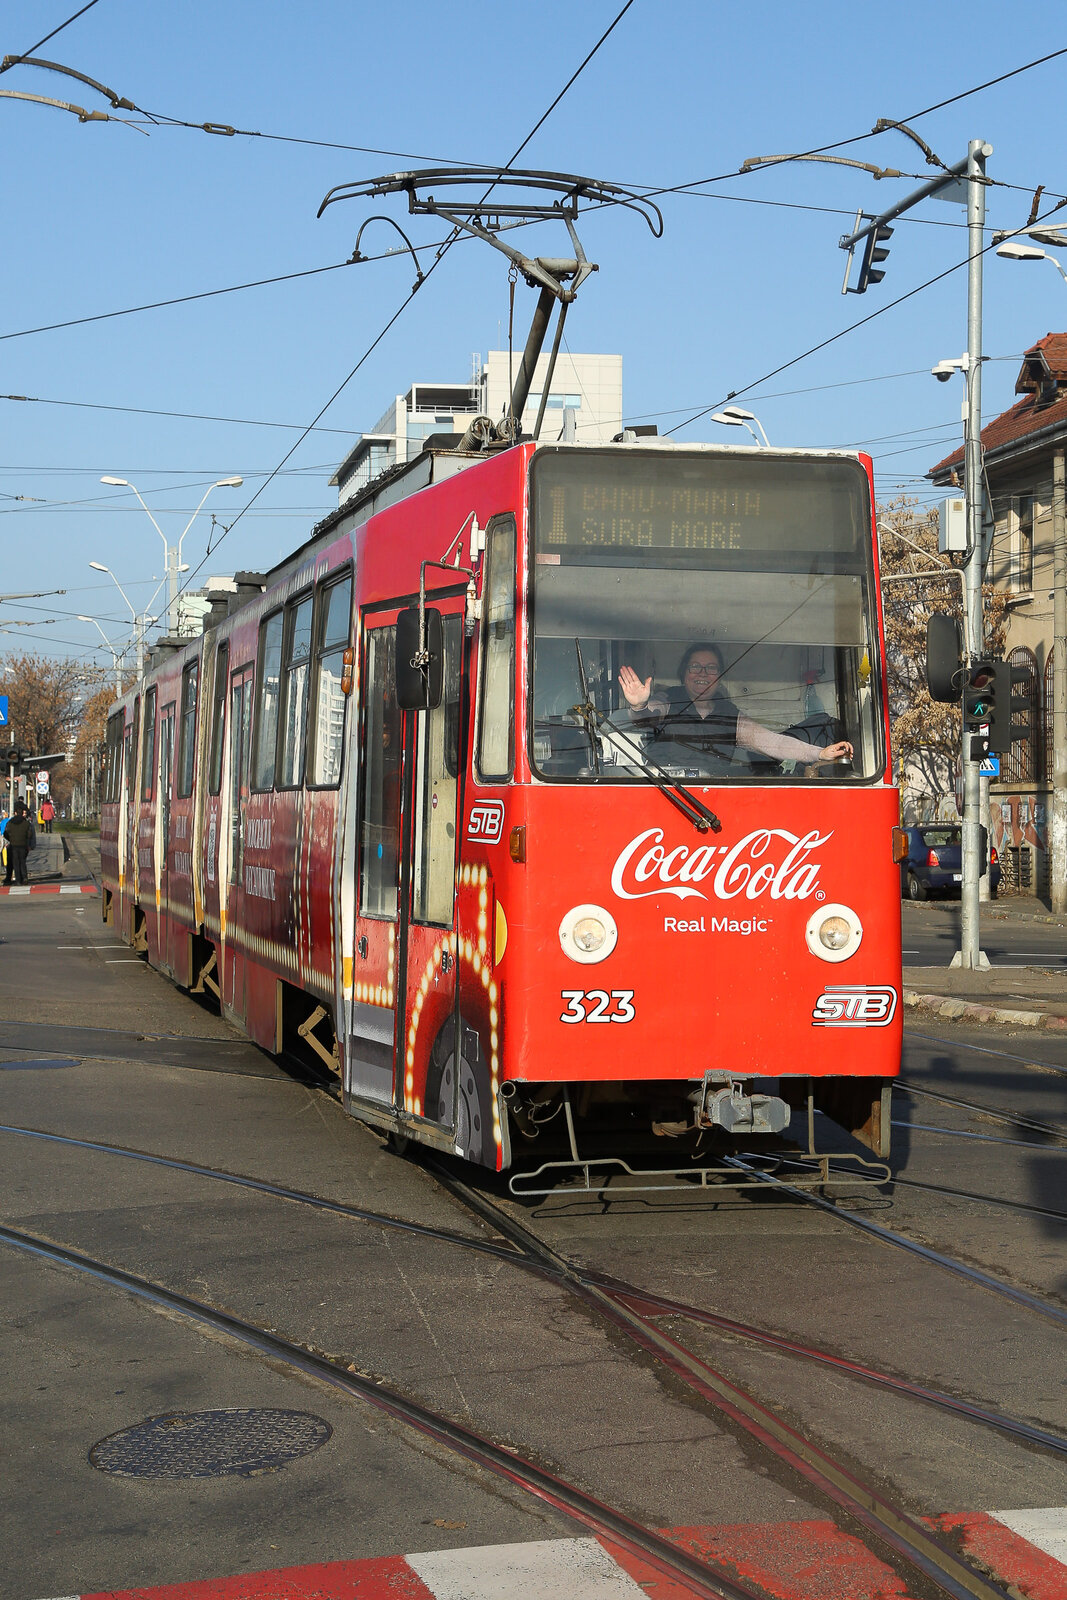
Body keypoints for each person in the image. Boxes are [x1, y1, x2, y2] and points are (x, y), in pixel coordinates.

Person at [618, 642, 854, 774]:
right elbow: (647, 717)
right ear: (683, 673)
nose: (703, 674)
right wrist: (639, 705)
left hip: (715, 800)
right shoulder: (668, 700)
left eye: (711, 668)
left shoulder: (730, 714)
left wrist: (819, 754)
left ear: (719, 677)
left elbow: (774, 743)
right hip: (664, 794)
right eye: (695, 667)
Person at [2, 800, 35, 885]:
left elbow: (5, 833)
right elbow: (29, 834)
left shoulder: (11, 822)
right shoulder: (26, 823)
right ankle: (24, 878)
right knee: (22, 862)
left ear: (15, 812)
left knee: (15, 863)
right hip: (23, 845)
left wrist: (11, 839)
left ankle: (18, 880)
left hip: (14, 845)